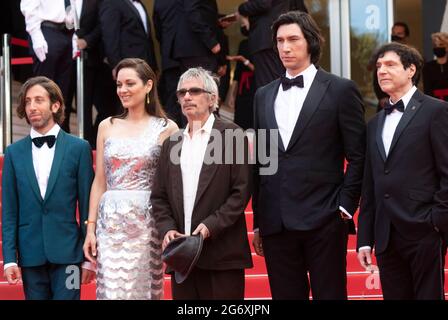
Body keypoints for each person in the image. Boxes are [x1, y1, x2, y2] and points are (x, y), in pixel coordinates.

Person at [252, 11, 366, 300]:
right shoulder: (263, 94)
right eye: (279, 41)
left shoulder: (341, 90)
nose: (285, 47)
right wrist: (259, 220)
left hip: (325, 218)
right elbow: (262, 160)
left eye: (293, 39)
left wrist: (344, 207)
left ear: (311, 42)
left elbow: (358, 155)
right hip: (276, 221)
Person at [151, 67, 253, 300]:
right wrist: (167, 228)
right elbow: (159, 196)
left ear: (212, 99)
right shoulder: (172, 143)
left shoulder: (233, 135)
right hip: (182, 257)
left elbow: (241, 192)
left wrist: (210, 226)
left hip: (222, 254)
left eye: (194, 91)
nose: (187, 96)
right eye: (182, 92)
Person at [357, 42, 448, 300]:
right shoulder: (374, 123)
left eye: (390, 65)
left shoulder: (436, 111)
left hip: (424, 231)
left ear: (411, 70)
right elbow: (370, 184)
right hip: (386, 236)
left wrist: (436, 222)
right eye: (378, 66)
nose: (382, 71)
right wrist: (365, 238)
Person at [82, 58, 178, 300]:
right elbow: (99, 181)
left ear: (148, 85)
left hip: (148, 224)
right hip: (110, 223)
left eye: (129, 83)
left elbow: (174, 185)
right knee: (111, 292)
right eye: (118, 84)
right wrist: (90, 228)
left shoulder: (168, 128)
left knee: (144, 291)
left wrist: (171, 228)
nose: (122, 90)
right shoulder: (107, 126)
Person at [2, 76, 95, 300]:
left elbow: (87, 206)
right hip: (30, 254)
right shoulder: (14, 153)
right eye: (27, 101)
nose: (32, 106)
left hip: (70, 254)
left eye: (39, 100)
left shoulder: (79, 148)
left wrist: (89, 260)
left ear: (55, 105)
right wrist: (10, 258)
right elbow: (9, 211)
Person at [20, 0, 77, 133]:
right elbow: (29, 7)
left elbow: (75, 6)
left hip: (69, 32)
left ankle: (61, 133)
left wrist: (76, 33)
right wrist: (36, 35)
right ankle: (40, 132)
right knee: (43, 89)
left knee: (64, 92)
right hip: (47, 30)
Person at [237, 0, 292, 89]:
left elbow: (263, 3)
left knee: (268, 87)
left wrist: (242, 8)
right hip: (276, 36)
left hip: (265, 38)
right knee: (277, 84)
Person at [100, 0, 158, 79]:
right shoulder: (111, 3)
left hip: (147, 64)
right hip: (128, 65)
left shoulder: (140, 4)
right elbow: (110, 38)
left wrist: (154, 65)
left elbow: (147, 38)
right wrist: (116, 65)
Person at [153, 0, 184, 127]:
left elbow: (158, 31)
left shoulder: (159, 2)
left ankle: (172, 137)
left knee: (173, 98)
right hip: (186, 55)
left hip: (170, 55)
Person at [423, 32, 448, 101]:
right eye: (435, 45)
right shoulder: (428, 67)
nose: (438, 47)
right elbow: (427, 90)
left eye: (441, 44)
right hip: (435, 103)